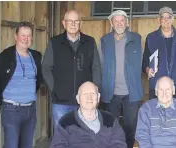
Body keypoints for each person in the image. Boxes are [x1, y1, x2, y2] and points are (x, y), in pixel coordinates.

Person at [42, 10, 102, 130]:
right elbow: (46, 68)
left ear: (80, 23)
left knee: (84, 136)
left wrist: (94, 91)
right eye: (70, 21)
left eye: (76, 21)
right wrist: (54, 89)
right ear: (64, 23)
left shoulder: (89, 42)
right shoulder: (55, 42)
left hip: (84, 102)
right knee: (62, 136)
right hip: (61, 102)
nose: (73, 24)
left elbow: (96, 68)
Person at [0, 22, 42, 148]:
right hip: (11, 110)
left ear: (32, 38)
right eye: (22, 35)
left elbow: (38, 80)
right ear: (16, 36)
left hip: (30, 110)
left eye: (29, 35)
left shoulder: (36, 56)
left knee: (27, 145)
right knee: (11, 145)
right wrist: (0, 102)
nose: (26, 38)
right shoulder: (5, 57)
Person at [99, 10, 143, 148]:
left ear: (127, 22)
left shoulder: (136, 38)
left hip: (132, 92)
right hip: (111, 92)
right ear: (111, 23)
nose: (119, 23)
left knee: (131, 126)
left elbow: (143, 61)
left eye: (122, 20)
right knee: (111, 126)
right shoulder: (104, 41)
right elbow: (99, 65)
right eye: (116, 21)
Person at [50, 82, 126, 148]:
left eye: (92, 93)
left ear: (98, 97)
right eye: (85, 94)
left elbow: (119, 144)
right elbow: (57, 146)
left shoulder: (110, 120)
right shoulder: (65, 122)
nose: (89, 98)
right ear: (78, 99)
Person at [142, 6, 176, 100]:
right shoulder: (151, 37)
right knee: (156, 114)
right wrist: (147, 70)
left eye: (169, 17)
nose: (166, 20)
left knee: (175, 114)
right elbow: (144, 62)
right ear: (159, 19)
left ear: (173, 19)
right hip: (157, 87)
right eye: (163, 17)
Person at [135, 76, 176, 147]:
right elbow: (142, 135)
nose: (164, 93)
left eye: (168, 89)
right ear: (156, 92)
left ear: (173, 91)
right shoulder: (146, 109)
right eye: (161, 89)